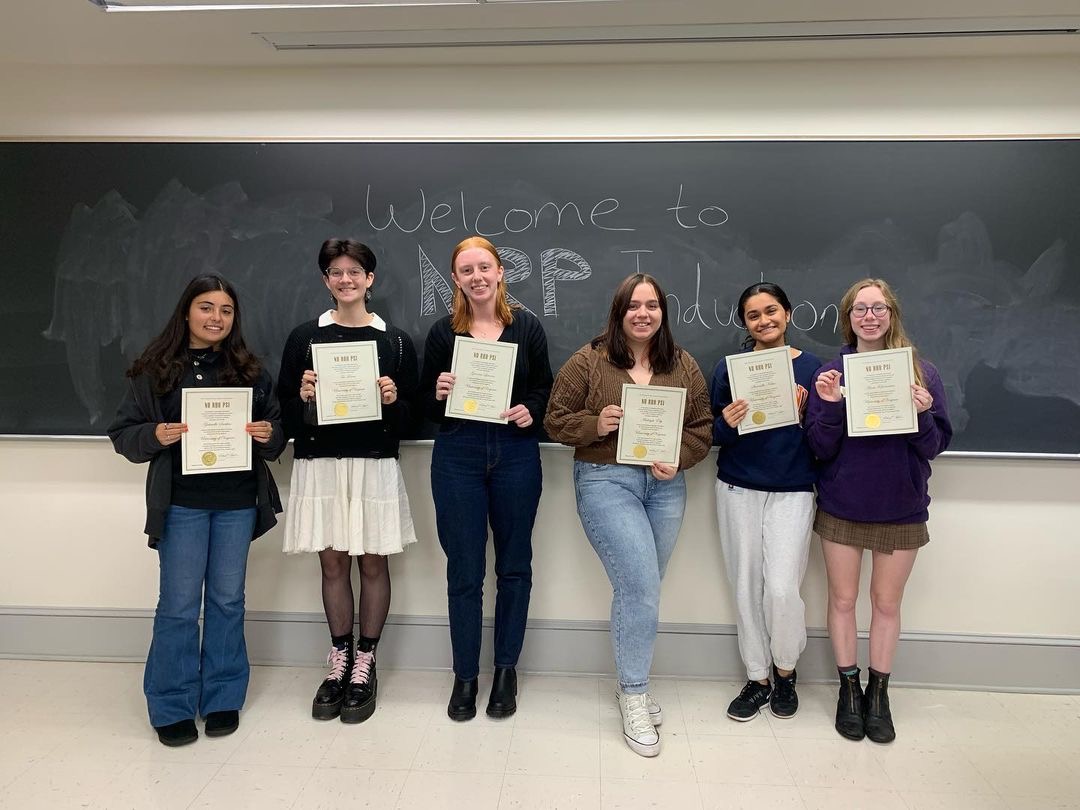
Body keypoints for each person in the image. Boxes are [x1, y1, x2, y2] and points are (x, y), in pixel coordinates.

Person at [108, 273, 285, 747]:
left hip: (236, 504)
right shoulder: (155, 369)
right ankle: (171, 702)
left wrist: (270, 436)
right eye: (207, 308)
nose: (216, 318)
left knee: (228, 601)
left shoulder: (250, 370)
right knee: (180, 607)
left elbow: (276, 430)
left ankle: (223, 696)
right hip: (182, 504)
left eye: (226, 311)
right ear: (187, 311)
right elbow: (124, 434)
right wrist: (155, 436)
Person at [544, 272, 712, 757]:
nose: (643, 313)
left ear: (663, 312)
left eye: (652, 305)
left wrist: (680, 456)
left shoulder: (682, 364)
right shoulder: (589, 360)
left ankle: (627, 683)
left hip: (664, 487)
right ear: (619, 312)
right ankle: (636, 694)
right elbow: (556, 419)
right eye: (633, 305)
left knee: (641, 589)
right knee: (640, 587)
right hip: (605, 480)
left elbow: (701, 426)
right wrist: (596, 423)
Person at [277, 238, 419, 724]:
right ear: (325, 281)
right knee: (333, 565)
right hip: (321, 463)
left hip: (373, 463)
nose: (345, 280)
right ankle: (338, 659)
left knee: (374, 565)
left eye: (354, 271)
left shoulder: (395, 341)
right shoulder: (303, 338)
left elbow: (413, 418)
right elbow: (287, 417)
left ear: (369, 279)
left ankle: (365, 662)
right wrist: (304, 397)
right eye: (335, 272)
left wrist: (394, 397)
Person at [805, 277, 951, 744]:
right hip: (843, 504)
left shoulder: (920, 373)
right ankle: (849, 689)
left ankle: (879, 693)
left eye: (879, 307)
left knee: (887, 605)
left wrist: (923, 412)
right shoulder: (832, 374)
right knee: (843, 601)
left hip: (901, 506)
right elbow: (819, 448)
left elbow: (932, 448)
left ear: (892, 314)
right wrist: (828, 406)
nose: (870, 316)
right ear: (848, 319)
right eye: (859, 309)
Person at [420, 235, 553, 721]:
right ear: (455, 280)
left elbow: (543, 388)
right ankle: (465, 675)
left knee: (514, 566)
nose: (477, 277)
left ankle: (505, 671)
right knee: (464, 570)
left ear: (500, 273)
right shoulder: (442, 334)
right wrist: (438, 390)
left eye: (484, 267)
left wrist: (529, 410)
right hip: (458, 455)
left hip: (515, 454)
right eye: (466, 270)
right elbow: (424, 406)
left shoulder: (528, 330)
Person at [710, 282, 820, 723]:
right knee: (745, 584)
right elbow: (712, 436)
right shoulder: (728, 369)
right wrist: (727, 422)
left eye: (771, 311)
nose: (764, 321)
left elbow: (828, 442)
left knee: (781, 587)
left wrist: (811, 413)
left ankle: (786, 670)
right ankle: (757, 678)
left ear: (788, 314)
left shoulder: (815, 370)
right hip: (738, 487)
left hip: (793, 489)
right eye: (754, 315)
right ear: (745, 323)